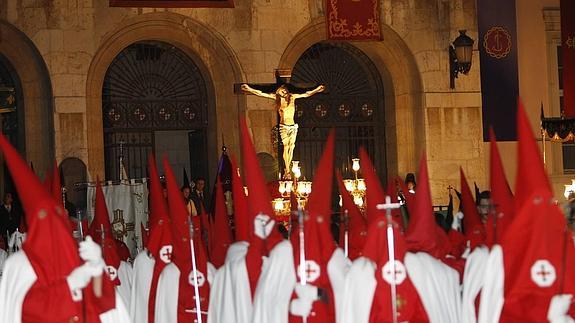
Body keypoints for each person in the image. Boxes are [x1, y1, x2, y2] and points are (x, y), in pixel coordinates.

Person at [241, 83, 325, 177]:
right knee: (286, 146)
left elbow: (306, 94)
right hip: (284, 127)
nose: (284, 92)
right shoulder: (277, 98)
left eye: (285, 90)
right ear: (278, 92)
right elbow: (261, 93)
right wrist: (249, 89)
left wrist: (317, 89)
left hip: (292, 126)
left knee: (292, 146)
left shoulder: (292, 97)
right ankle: (287, 170)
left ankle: (288, 167)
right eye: (282, 91)